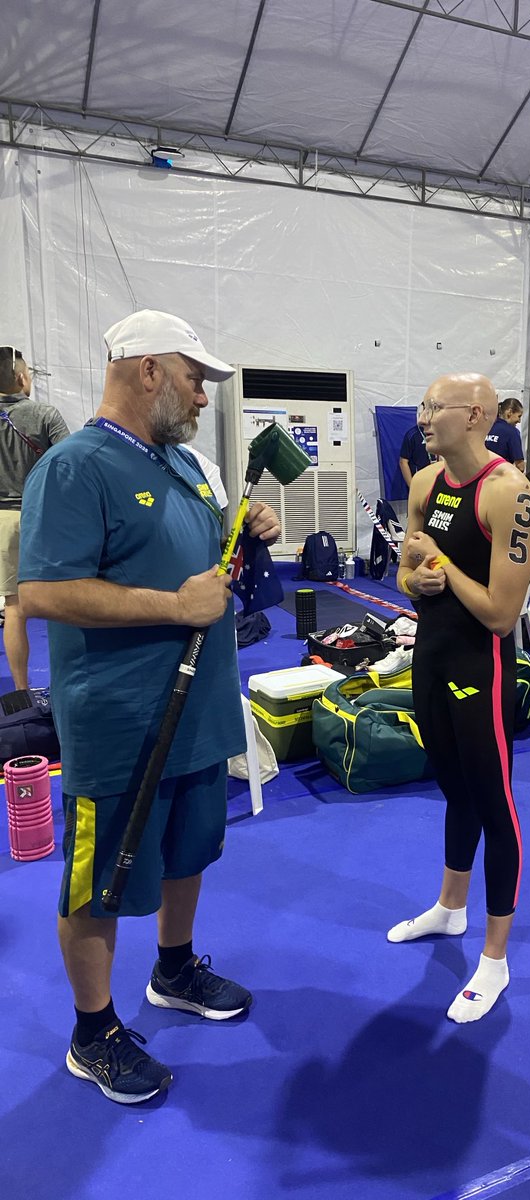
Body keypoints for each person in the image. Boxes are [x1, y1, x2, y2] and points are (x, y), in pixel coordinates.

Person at [18, 309, 281, 1105]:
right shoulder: (75, 468)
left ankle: (174, 967)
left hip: (198, 717)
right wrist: (174, 607)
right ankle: (92, 1031)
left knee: (189, 851)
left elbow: (204, 561)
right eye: (196, 379)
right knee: (100, 880)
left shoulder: (189, 465)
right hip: (122, 722)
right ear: (148, 372)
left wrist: (246, 528)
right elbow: (43, 591)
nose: (205, 396)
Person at [388, 373, 530, 1023]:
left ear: (474, 416)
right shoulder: (424, 483)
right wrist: (417, 581)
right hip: (431, 655)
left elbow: (503, 615)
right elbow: (405, 572)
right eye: (422, 406)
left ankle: (495, 960)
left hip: (483, 664)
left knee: (493, 801)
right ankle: (451, 909)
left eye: (433, 407)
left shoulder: (511, 494)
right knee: (453, 788)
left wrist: (441, 572)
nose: (423, 418)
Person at [0, 346, 70, 689]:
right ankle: (66, 681)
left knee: (14, 608)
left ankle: (21, 693)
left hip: (2, 523)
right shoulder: (46, 415)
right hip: (42, 517)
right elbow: (69, 465)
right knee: (64, 601)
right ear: (21, 377)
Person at [485, 397, 525, 470]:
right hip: (500, 476)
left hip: (480, 476)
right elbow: (520, 465)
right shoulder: (512, 432)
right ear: (509, 412)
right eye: (519, 416)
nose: (519, 421)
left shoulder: (485, 428)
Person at [399, 421, 432, 489]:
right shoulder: (412, 435)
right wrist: (412, 487)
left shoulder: (438, 432)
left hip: (436, 480)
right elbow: (403, 462)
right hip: (419, 482)